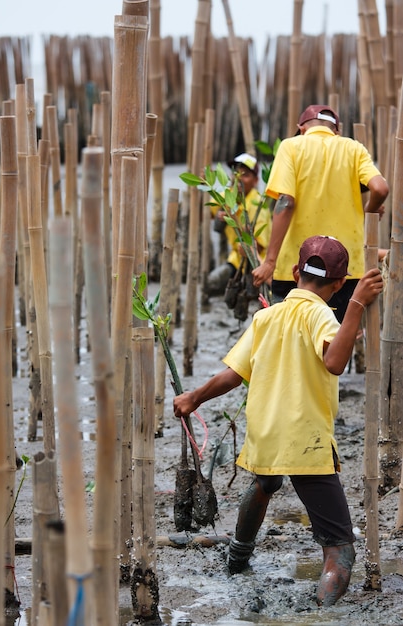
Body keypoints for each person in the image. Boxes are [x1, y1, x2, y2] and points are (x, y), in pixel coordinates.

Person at [173, 235, 383, 607]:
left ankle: (237, 558)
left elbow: (233, 374)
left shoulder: (265, 316)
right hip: (306, 441)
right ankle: (319, 614)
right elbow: (335, 363)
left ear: (295, 272)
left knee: (267, 480)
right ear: (338, 284)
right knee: (341, 552)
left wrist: (193, 397)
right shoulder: (322, 314)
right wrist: (357, 305)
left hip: (266, 433)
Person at [251, 104, 389, 322]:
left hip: (296, 268)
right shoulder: (353, 148)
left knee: (290, 339)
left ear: (302, 128)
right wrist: (368, 211)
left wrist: (270, 262)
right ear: (336, 130)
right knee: (335, 342)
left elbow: (286, 201)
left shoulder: (291, 147)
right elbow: (381, 189)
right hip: (345, 269)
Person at [207, 153, 272, 296]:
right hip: (236, 259)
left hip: (256, 263)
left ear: (255, 181)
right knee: (212, 283)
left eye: (245, 175)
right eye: (236, 173)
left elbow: (259, 246)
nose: (239, 179)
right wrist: (203, 184)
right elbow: (207, 214)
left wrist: (234, 220)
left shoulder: (258, 206)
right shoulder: (228, 195)